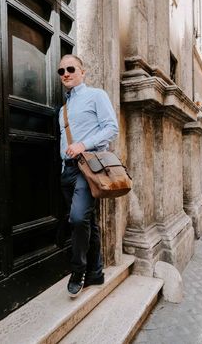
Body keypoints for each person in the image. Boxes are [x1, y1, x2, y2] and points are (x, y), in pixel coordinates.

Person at [58, 54, 119, 297]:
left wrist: (83, 144)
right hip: (68, 170)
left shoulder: (96, 95)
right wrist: (63, 168)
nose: (66, 74)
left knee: (77, 219)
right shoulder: (63, 109)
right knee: (87, 221)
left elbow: (111, 128)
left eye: (71, 69)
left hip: (89, 167)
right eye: (61, 71)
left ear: (83, 72)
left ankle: (78, 271)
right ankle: (96, 272)